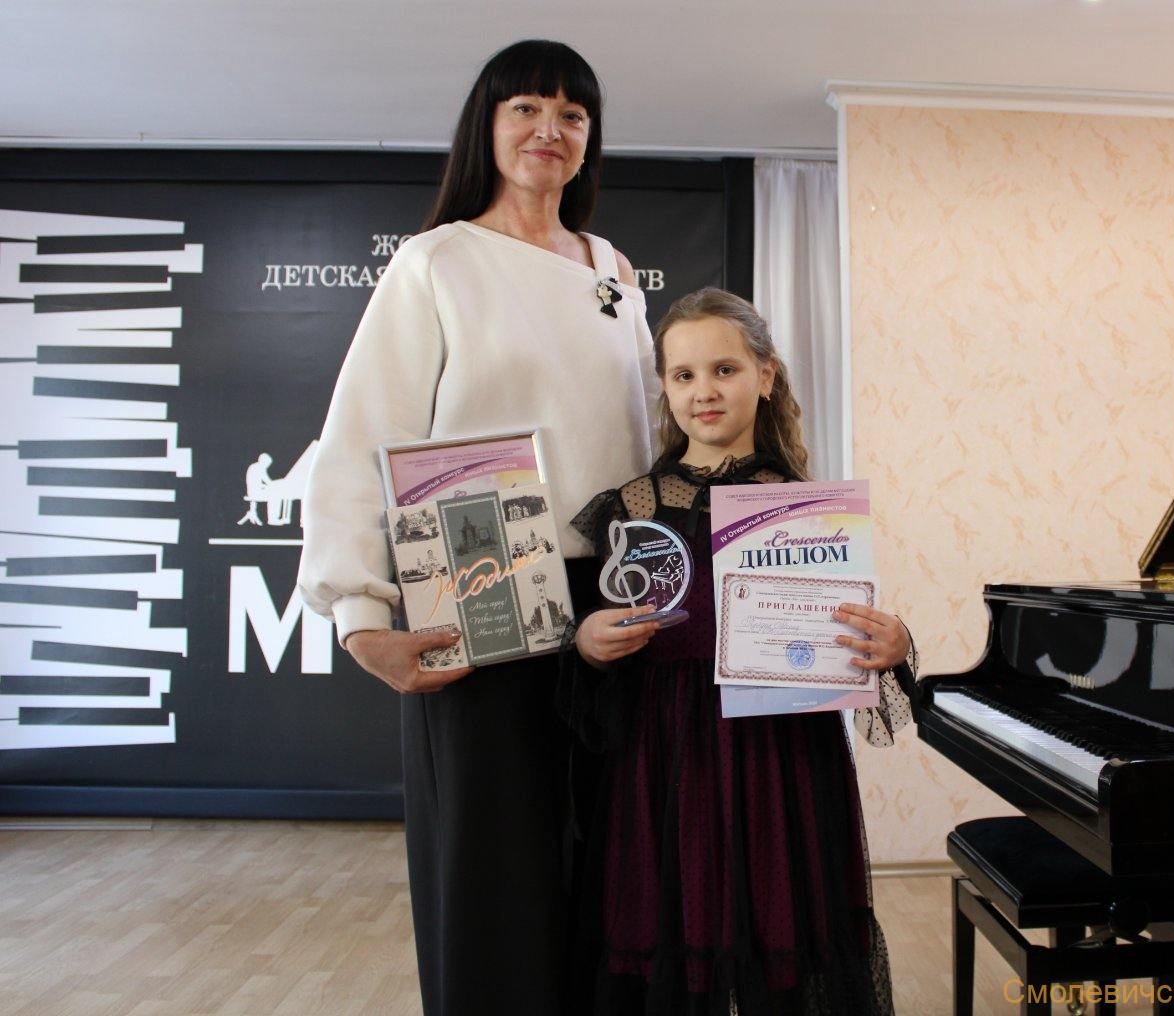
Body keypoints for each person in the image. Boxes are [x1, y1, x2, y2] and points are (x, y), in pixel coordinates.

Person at [295, 40, 657, 1015]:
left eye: (572, 113)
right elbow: (359, 437)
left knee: (616, 864)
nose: (550, 129)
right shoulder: (437, 262)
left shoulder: (613, 269)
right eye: (526, 107)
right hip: (480, 574)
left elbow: (650, 437)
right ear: (486, 128)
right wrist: (358, 613)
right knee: (495, 869)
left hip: (614, 593)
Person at [562, 288, 915, 1015]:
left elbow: (850, 634)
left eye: (725, 369)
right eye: (684, 375)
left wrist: (894, 641)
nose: (705, 391)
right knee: (675, 932)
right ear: (664, 388)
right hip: (665, 756)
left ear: (766, 376)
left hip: (779, 756)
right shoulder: (630, 509)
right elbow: (592, 651)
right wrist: (590, 644)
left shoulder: (812, 508)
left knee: (780, 936)